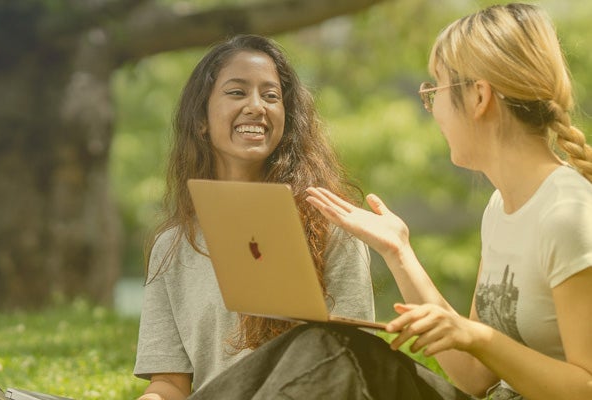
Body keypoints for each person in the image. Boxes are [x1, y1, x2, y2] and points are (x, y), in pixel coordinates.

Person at [192, 4, 592, 399]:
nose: (432, 109)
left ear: (479, 97)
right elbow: (473, 376)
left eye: (434, 90)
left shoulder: (567, 215)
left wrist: (480, 337)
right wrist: (398, 251)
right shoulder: (501, 210)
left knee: (332, 351)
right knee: (326, 341)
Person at [134, 34, 376, 400]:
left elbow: (359, 363)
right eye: (236, 92)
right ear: (201, 119)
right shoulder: (172, 247)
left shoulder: (333, 228)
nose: (256, 106)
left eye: (271, 96)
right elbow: (169, 384)